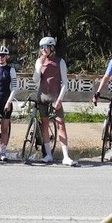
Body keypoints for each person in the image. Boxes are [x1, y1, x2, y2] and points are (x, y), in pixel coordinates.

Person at [32, 36, 77, 166]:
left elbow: (65, 83)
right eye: (41, 47)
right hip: (42, 97)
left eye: (46, 47)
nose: (44, 50)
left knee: (60, 124)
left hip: (55, 97)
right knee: (44, 125)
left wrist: (60, 99)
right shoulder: (39, 61)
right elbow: (35, 79)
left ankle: (66, 156)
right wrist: (40, 65)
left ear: (52, 48)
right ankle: (48, 155)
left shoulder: (59, 62)